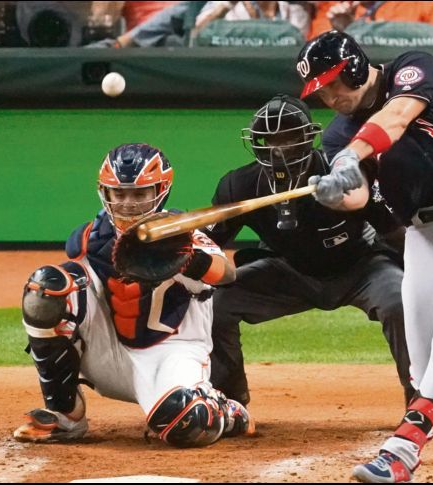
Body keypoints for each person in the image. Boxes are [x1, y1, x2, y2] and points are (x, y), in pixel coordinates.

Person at [297, 31, 433, 482]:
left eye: (332, 82)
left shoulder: (410, 69)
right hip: (424, 235)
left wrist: (351, 157)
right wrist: (333, 192)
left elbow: (396, 116)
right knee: (424, 371)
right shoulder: (338, 134)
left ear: (354, 65)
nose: (329, 96)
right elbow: (357, 197)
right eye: (320, 90)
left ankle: (401, 452)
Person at [13, 143, 255, 448]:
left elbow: (226, 274)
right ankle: (65, 415)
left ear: (161, 190)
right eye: (119, 193)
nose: (128, 203)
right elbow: (67, 289)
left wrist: (187, 258)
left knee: (186, 425)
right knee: (44, 288)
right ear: (105, 193)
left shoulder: (183, 235)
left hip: (169, 354)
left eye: (139, 194)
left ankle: (226, 409)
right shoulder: (91, 239)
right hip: (108, 353)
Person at [205, 94, 414, 408]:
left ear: (307, 139)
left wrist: (425, 275)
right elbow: (209, 246)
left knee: (401, 299)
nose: (278, 147)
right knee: (216, 304)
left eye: (287, 137)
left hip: (361, 267)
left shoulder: (342, 172)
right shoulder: (239, 187)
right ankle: (230, 402)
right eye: (269, 138)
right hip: (289, 272)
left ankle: (425, 399)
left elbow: (394, 232)